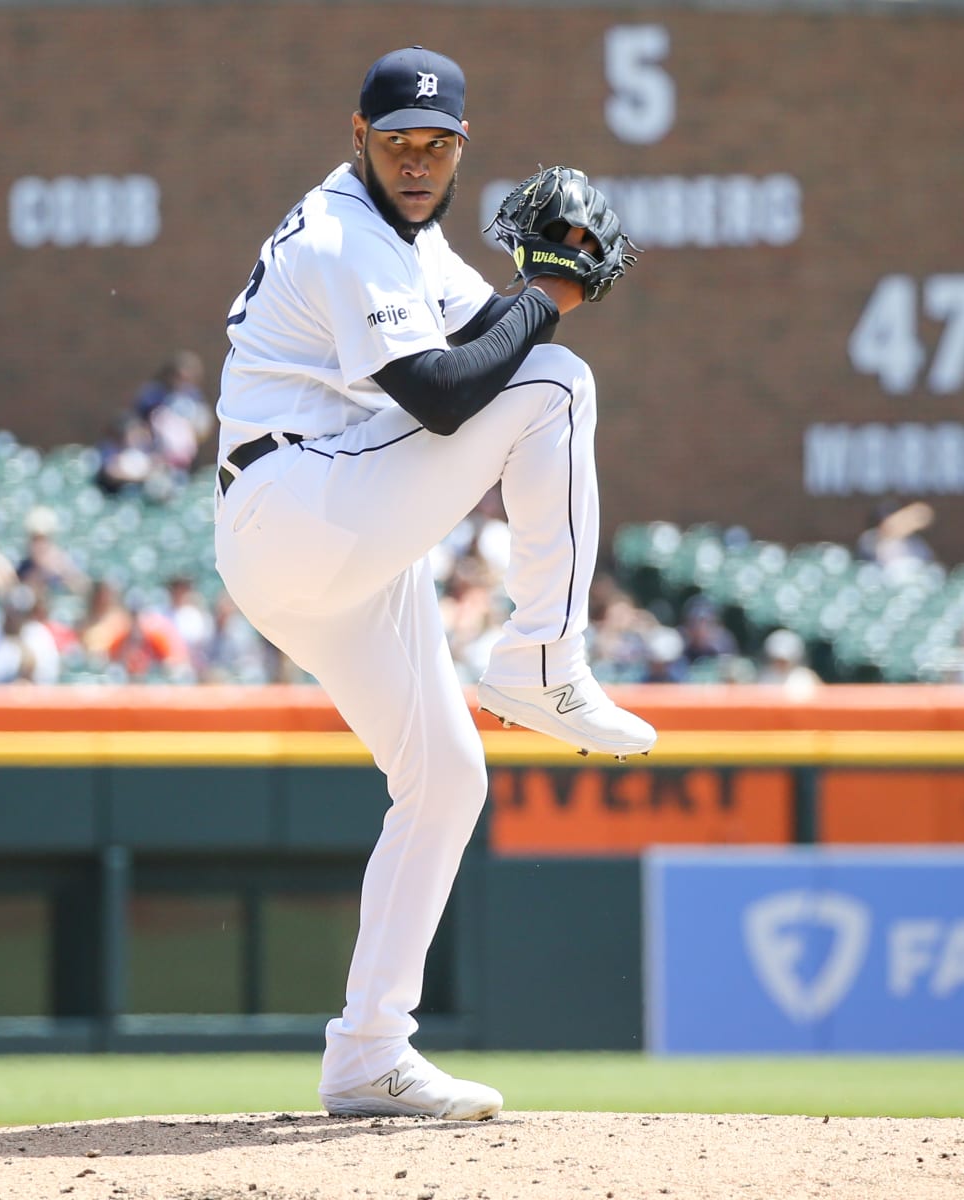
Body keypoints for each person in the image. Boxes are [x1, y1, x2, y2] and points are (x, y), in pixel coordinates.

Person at [211, 45, 652, 1122]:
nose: (416, 159)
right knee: (556, 380)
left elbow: (478, 333)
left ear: (461, 150)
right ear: (356, 137)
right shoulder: (342, 234)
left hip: (337, 542)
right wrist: (548, 291)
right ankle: (541, 656)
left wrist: (524, 298)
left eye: (437, 143)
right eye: (398, 140)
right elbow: (452, 394)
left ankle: (368, 1051)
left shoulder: (414, 242)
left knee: (447, 777)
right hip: (297, 505)